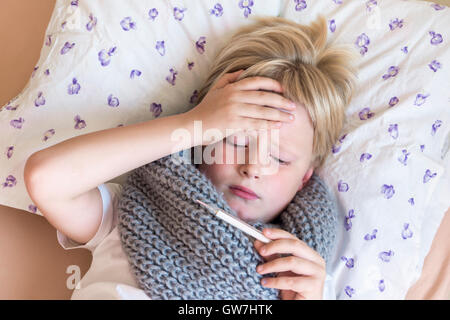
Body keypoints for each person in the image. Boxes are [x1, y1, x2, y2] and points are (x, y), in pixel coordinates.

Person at [23, 15, 358, 300]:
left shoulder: (298, 277)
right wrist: (193, 123)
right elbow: (46, 179)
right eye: (236, 140)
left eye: (280, 159)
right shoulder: (132, 214)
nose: (253, 167)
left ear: (304, 178)